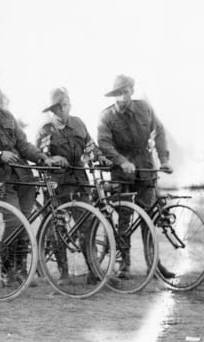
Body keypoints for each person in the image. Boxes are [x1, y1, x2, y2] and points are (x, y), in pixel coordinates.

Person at [0, 72, 65, 287]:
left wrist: (43, 158)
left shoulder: (7, 116)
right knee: (14, 221)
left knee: (24, 224)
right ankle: (6, 270)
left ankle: (20, 270)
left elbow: (23, 145)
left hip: (23, 176)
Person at [97, 74, 175, 279]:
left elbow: (159, 132)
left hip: (145, 169)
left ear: (132, 90)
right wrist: (122, 161)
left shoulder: (144, 109)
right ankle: (124, 263)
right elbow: (104, 144)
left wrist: (164, 159)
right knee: (124, 217)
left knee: (149, 217)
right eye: (117, 93)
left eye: (125, 92)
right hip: (121, 173)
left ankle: (154, 263)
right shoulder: (107, 117)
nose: (122, 97)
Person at [36, 87, 112, 285]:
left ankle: (94, 271)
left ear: (69, 104)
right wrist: (52, 158)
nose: (62, 110)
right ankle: (63, 273)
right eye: (57, 107)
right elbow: (40, 157)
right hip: (56, 184)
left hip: (79, 181)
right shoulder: (46, 130)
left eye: (65, 105)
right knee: (57, 226)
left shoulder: (78, 124)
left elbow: (89, 146)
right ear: (51, 110)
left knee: (87, 226)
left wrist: (99, 157)